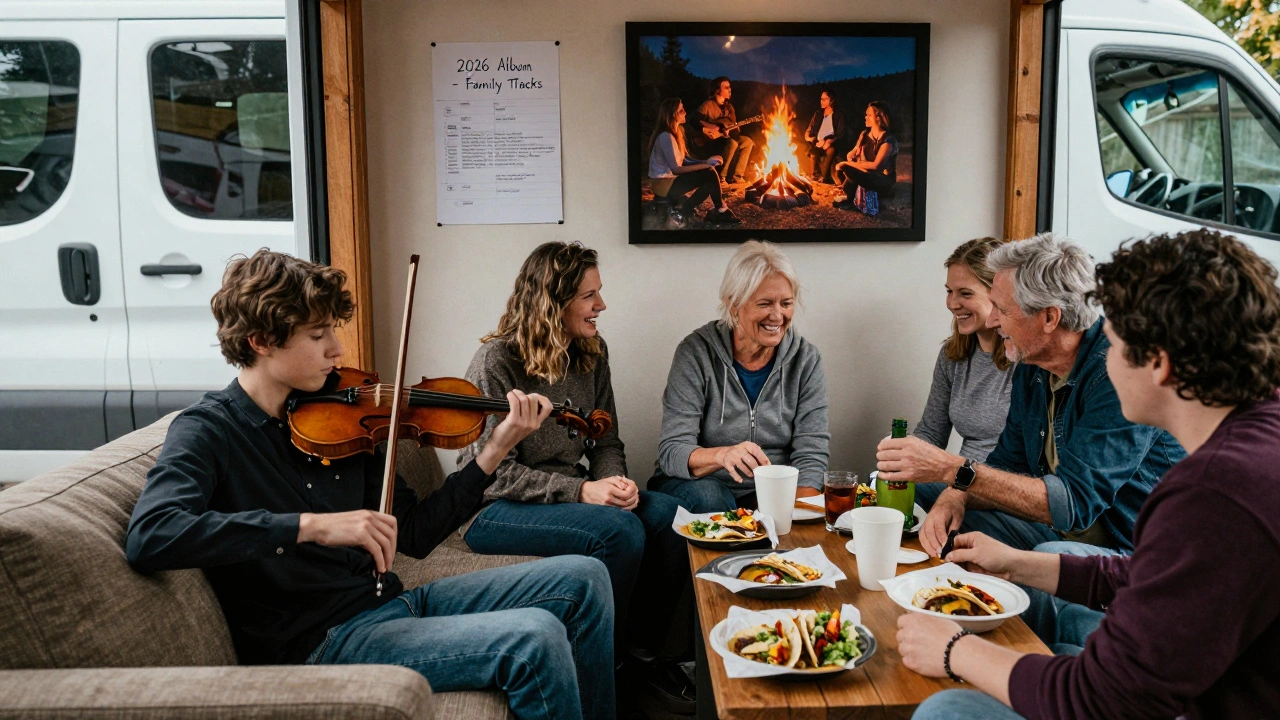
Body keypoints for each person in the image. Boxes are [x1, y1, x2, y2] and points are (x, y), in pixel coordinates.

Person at [125, 250, 614, 720]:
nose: (337, 350)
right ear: (260, 340)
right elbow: (153, 534)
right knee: (535, 636)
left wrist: (495, 449)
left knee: (585, 576)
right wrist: (311, 527)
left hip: (389, 602)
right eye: (319, 336)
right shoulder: (208, 431)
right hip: (325, 640)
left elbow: (418, 535)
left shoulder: (345, 413)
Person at [899, 228, 1280, 720]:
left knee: (949, 709)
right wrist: (1018, 564)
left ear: (1158, 364)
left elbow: (1103, 699)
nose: (1106, 350)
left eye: (1116, 340)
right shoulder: (1251, 442)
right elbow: (1156, 577)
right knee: (1050, 625)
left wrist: (954, 650)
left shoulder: (1212, 493)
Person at [457, 241, 693, 710]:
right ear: (554, 301)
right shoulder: (496, 363)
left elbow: (606, 441)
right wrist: (584, 490)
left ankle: (647, 657)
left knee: (668, 515)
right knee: (620, 532)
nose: (601, 306)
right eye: (589, 296)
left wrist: (616, 483)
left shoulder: (590, 351)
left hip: (567, 495)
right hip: (493, 509)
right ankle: (609, 667)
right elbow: (494, 475)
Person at [878, 233, 1184, 559]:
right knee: (928, 501)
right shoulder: (1031, 363)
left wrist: (952, 470)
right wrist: (957, 494)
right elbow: (1008, 464)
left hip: (1127, 546)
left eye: (1002, 309)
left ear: (1049, 317)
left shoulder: (1121, 372)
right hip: (1051, 526)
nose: (993, 320)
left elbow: (1074, 503)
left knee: (1046, 556)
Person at [650, 240, 829, 512]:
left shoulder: (805, 360)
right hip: (698, 485)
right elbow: (672, 451)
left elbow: (811, 456)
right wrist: (723, 455)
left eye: (786, 303)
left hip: (768, 492)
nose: (777, 315)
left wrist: (800, 517)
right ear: (733, 305)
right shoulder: (696, 353)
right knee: (713, 497)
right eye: (765, 303)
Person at [913, 237, 1015, 463]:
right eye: (950, 291)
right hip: (960, 480)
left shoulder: (1024, 358)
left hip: (1003, 485)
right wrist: (902, 456)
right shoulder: (952, 355)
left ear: (998, 294)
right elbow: (931, 432)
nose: (952, 303)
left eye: (965, 293)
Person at [647, 97, 740, 227]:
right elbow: (677, 169)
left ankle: (702, 210)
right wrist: (706, 165)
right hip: (663, 185)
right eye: (681, 110)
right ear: (673, 114)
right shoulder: (665, 137)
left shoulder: (676, 132)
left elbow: (685, 159)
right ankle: (716, 210)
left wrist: (706, 161)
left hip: (670, 181)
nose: (685, 112)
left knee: (709, 177)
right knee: (708, 174)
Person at [833, 101, 898, 212]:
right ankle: (850, 195)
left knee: (846, 167)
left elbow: (877, 166)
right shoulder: (864, 134)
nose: (865, 117)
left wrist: (850, 164)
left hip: (882, 178)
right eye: (866, 114)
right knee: (839, 162)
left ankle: (851, 197)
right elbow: (853, 152)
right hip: (865, 171)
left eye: (869, 115)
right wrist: (851, 156)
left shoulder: (888, 140)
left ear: (878, 117)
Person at [695, 76, 755, 184]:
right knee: (732, 143)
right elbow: (695, 121)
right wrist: (712, 127)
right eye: (726, 87)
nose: (730, 89)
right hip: (711, 141)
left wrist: (732, 130)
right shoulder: (708, 105)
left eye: (730, 87)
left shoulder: (729, 107)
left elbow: (734, 130)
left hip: (726, 138)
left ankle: (736, 176)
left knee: (747, 142)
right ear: (718, 90)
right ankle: (720, 178)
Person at [802, 88, 847, 184]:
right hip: (817, 142)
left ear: (832, 100)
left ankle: (824, 177)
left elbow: (841, 133)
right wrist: (810, 139)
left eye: (824, 99)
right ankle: (815, 175)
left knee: (831, 150)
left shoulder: (838, 115)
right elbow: (808, 130)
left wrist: (829, 141)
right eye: (821, 99)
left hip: (831, 142)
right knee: (813, 152)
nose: (821, 101)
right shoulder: (818, 114)